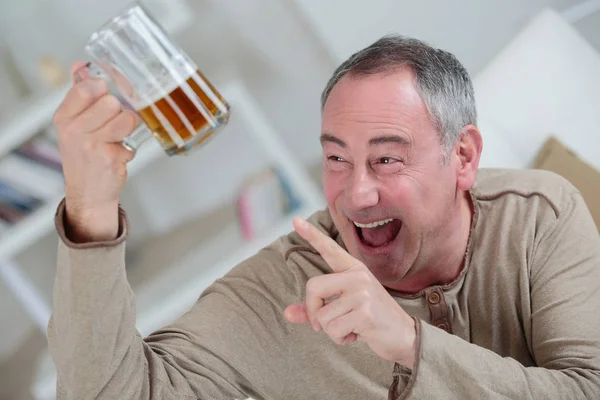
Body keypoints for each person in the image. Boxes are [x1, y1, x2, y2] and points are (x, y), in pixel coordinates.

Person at [49, 35, 600, 399]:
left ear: (463, 157)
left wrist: (409, 342)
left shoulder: (539, 217)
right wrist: (90, 209)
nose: (357, 193)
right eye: (336, 159)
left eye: (386, 158)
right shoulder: (280, 290)